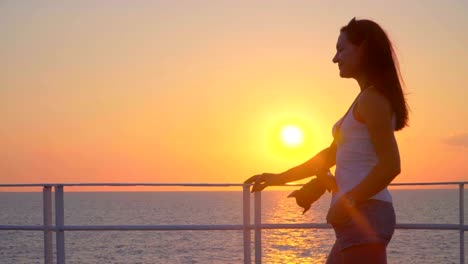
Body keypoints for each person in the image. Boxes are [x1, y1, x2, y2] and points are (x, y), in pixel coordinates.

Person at [244, 17, 409, 264]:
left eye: (341, 49)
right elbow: (328, 155)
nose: (335, 58)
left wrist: (347, 203)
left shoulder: (373, 99)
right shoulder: (364, 99)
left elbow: (390, 165)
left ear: (362, 47)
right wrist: (277, 177)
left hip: (365, 213)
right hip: (358, 214)